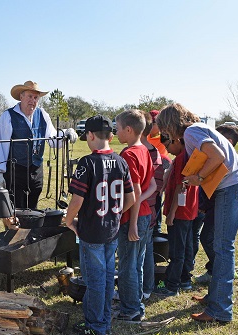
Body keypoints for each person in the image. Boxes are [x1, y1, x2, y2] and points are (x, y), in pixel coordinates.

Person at [156, 103, 238, 323]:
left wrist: (198, 178)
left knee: (223, 247)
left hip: (231, 187)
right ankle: (216, 296)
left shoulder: (191, 132)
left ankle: (220, 309)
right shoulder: (195, 131)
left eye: (163, 130)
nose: (163, 135)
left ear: (170, 125)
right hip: (226, 188)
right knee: (208, 238)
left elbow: (216, 156)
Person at [65, 115, 135, 335]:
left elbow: (77, 201)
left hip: (92, 232)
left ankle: (96, 326)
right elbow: (131, 198)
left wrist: (69, 221)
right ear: (111, 136)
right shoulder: (121, 161)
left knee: (95, 281)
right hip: (111, 230)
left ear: (90, 135)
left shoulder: (87, 163)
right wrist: (116, 214)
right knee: (105, 278)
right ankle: (103, 320)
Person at [0, 80, 77, 210]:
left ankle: (31, 230)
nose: (32, 101)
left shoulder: (42, 115)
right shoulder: (8, 116)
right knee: (16, 210)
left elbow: (52, 138)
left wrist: (66, 133)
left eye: (36, 98)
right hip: (15, 171)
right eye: (29, 96)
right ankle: (15, 230)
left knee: (33, 208)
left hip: (36, 170)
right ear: (21, 96)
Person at [114, 110, 157, 323]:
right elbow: (152, 186)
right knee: (136, 263)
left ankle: (130, 309)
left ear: (128, 130)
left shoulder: (129, 155)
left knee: (127, 266)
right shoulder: (144, 151)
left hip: (135, 218)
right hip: (145, 216)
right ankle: (136, 304)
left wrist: (129, 223)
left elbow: (136, 192)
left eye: (118, 128)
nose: (116, 131)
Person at [193, 124, 238, 284]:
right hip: (211, 208)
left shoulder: (229, 163)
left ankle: (220, 271)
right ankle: (216, 271)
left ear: (227, 141)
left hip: (217, 206)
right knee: (209, 238)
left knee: (212, 239)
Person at [154, 136, 198, 297]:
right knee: (187, 247)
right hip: (189, 211)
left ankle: (172, 286)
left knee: (176, 251)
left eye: (168, 145)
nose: (168, 150)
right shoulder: (190, 155)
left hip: (180, 212)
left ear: (177, 141)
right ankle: (185, 279)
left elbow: (181, 187)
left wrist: (171, 213)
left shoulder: (181, 158)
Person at [140, 111, 171, 301]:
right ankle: (147, 287)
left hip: (139, 212)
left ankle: (140, 288)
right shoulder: (156, 154)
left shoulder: (136, 154)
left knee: (136, 254)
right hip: (149, 210)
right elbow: (158, 187)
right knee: (146, 249)